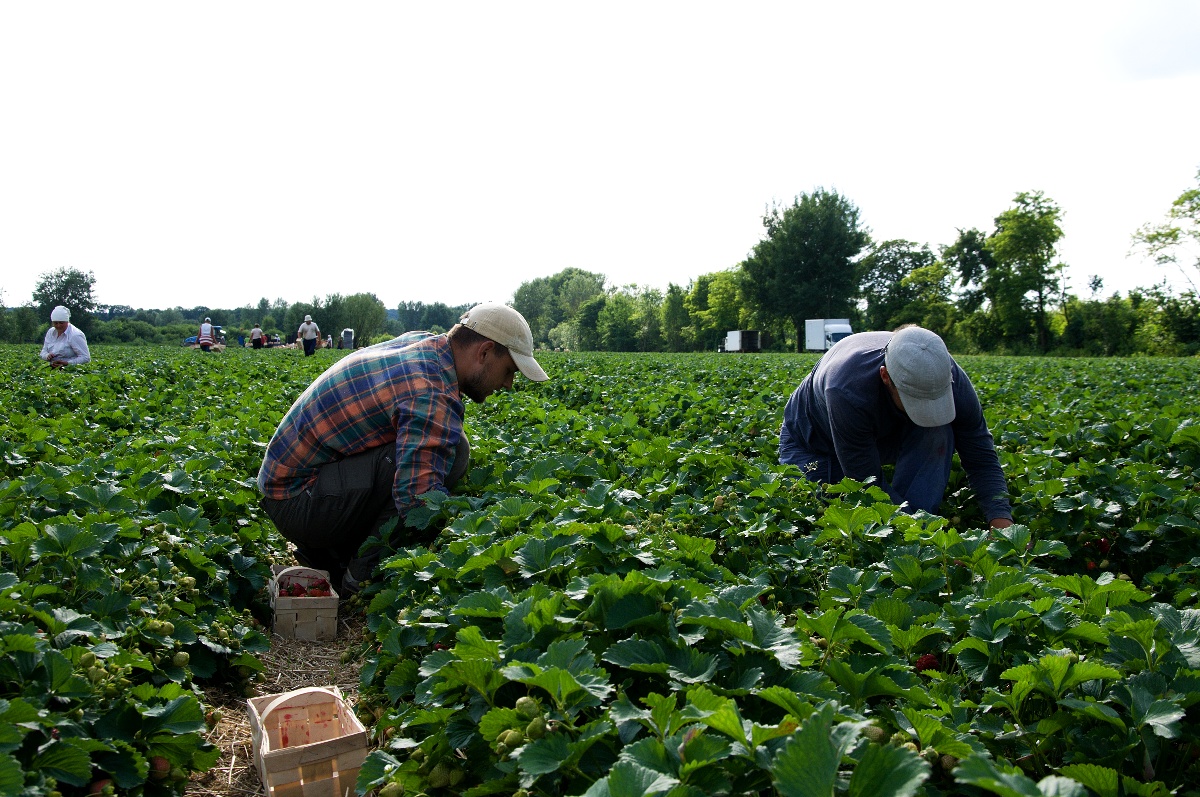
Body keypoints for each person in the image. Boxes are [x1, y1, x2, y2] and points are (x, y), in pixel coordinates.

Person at [257, 302, 550, 594]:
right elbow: (415, 499)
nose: (509, 384)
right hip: (296, 501)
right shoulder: (429, 391)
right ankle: (356, 579)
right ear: (484, 352)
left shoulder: (427, 344)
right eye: (509, 370)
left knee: (450, 446)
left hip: (291, 487)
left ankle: (329, 553)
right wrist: (460, 538)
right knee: (432, 463)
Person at [779, 325, 1013, 529]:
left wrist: (1001, 520)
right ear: (885, 377)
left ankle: (920, 518)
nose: (928, 408)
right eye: (916, 401)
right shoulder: (846, 389)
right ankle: (913, 534)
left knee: (938, 430)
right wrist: (925, 538)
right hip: (815, 442)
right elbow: (866, 483)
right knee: (831, 507)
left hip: (885, 430)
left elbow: (980, 454)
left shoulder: (943, 374)